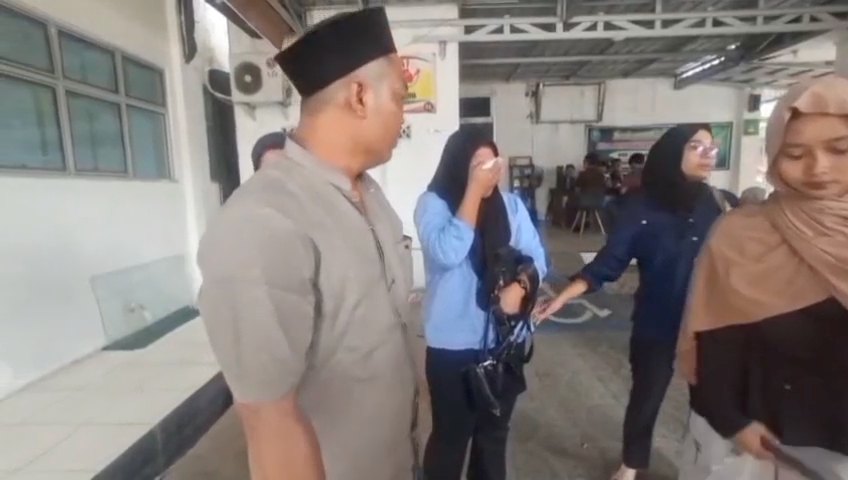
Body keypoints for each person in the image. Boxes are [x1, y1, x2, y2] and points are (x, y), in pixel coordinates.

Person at [195, 8, 417, 480]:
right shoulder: (264, 222)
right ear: (360, 96)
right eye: (400, 98)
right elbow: (268, 420)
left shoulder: (371, 197)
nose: (403, 115)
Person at [677, 74, 848, 479]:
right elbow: (716, 342)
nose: (819, 168)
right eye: (795, 153)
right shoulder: (743, 235)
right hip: (773, 445)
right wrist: (733, 423)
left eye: (840, 149)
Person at [535, 124, 725, 480]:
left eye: (711, 148)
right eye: (696, 147)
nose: (707, 155)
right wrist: (562, 296)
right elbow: (610, 262)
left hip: (709, 322)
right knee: (647, 394)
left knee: (710, 401)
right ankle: (632, 463)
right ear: (672, 153)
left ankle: (702, 466)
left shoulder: (714, 202)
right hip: (658, 319)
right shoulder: (641, 206)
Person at [415, 130, 547, 480]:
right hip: (453, 348)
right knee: (451, 438)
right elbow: (448, 252)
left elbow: (537, 259)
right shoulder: (433, 204)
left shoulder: (511, 207)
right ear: (458, 164)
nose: (489, 172)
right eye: (478, 165)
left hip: (504, 342)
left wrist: (521, 287)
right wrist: (473, 192)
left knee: (493, 437)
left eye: (493, 163)